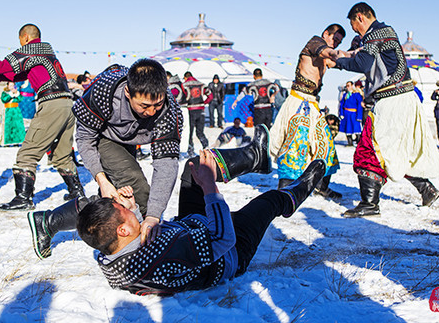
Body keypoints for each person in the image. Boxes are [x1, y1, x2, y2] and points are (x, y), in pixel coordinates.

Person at [29, 125, 317, 297]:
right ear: (123, 229)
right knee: (267, 202)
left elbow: (128, 240)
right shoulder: (166, 253)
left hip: (190, 227)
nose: (126, 205)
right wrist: (210, 189)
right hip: (229, 252)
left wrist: (132, 211)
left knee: (192, 167)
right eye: (122, 209)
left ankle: (255, 156)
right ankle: (296, 193)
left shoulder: (111, 257)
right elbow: (222, 239)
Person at [329, 2, 439, 217]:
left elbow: (362, 63)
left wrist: (339, 63)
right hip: (403, 97)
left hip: (392, 100)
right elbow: (363, 56)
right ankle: (427, 190)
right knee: (397, 150)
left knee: (369, 148)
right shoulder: (384, 32)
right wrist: (348, 53)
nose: (356, 31)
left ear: (360, 17)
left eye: (354, 26)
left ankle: (370, 204)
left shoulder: (375, 33)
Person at [72, 59, 183, 243]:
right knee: (137, 188)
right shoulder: (103, 92)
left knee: (119, 198)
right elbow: (85, 138)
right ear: (127, 93)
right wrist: (101, 179)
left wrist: (154, 215)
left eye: (157, 104)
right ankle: (145, 245)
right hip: (104, 136)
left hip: (130, 140)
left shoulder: (169, 110)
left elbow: (166, 164)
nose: (151, 112)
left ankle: (51, 221)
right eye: (144, 106)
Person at [0, 24, 85, 210]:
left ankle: (23, 199)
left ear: (25, 37)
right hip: (67, 104)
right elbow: (20, 74)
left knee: (27, 153)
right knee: (62, 154)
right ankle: (77, 192)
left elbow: (2, 66)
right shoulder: (46, 53)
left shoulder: (30, 49)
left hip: (51, 103)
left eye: (20, 39)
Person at [269, 24, 346, 200]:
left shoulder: (326, 55)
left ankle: (321, 186)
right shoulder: (315, 43)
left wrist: (357, 52)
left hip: (312, 104)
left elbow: (342, 62)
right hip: (298, 102)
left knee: (326, 145)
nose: (335, 43)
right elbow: (332, 54)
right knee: (294, 146)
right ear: (326, 34)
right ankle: (284, 192)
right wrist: (345, 53)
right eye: (334, 39)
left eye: (339, 42)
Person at [183, 71, 213, 157]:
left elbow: (182, 97)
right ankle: (206, 148)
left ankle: (190, 151)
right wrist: (204, 102)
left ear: (185, 77)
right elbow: (210, 96)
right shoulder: (201, 84)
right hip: (201, 110)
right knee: (200, 132)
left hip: (190, 110)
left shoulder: (184, 85)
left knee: (189, 133)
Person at [338, 81, 363, 146]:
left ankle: (359, 143)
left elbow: (359, 106)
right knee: (347, 128)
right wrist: (341, 114)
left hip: (354, 114)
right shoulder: (345, 95)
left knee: (356, 128)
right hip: (346, 114)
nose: (347, 87)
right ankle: (350, 142)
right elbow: (341, 104)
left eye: (348, 85)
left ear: (352, 86)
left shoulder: (357, 94)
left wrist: (359, 116)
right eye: (346, 86)